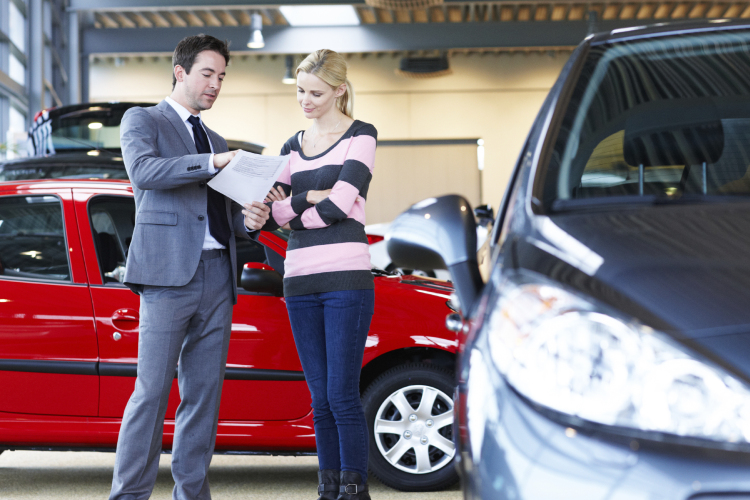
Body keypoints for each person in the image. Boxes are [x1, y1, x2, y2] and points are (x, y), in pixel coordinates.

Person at [110, 34, 270, 500]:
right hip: (166, 278)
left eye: (222, 77)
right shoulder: (144, 120)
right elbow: (144, 172)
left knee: (203, 397)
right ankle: (129, 496)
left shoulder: (216, 138)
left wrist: (251, 221)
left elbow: (225, 218)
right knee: (151, 393)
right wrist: (215, 161)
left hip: (218, 275)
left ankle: (192, 494)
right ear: (180, 71)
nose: (216, 84)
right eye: (208, 73)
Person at [264, 49, 377, 500]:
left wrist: (297, 209)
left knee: (343, 394)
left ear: (339, 90)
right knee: (319, 400)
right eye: (299, 91)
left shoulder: (361, 136)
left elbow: (342, 204)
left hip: (346, 278)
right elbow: (274, 214)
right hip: (300, 281)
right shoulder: (291, 146)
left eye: (314, 93)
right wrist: (310, 197)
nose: (305, 100)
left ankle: (354, 489)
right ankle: (328, 489)